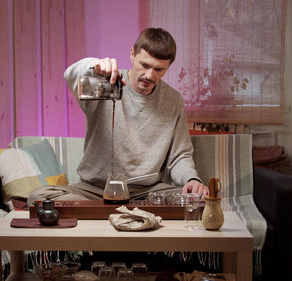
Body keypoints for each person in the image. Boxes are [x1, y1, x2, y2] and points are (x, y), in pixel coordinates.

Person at [28, 27, 207, 204]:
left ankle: (103, 214)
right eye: (144, 65)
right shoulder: (105, 82)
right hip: (95, 190)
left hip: (146, 191)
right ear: (132, 54)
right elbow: (70, 74)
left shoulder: (172, 100)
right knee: (39, 198)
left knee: (198, 201)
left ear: (168, 67)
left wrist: (192, 179)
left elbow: (179, 156)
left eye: (159, 69)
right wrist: (94, 66)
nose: (149, 75)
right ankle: (116, 212)